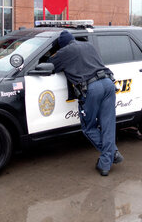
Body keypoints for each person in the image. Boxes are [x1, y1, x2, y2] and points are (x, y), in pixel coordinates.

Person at [49, 30, 123, 176]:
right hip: (108, 84)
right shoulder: (89, 45)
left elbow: (50, 65)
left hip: (91, 89)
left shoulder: (64, 52)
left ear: (62, 45)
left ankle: (108, 158)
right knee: (108, 125)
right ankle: (109, 157)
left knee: (89, 127)